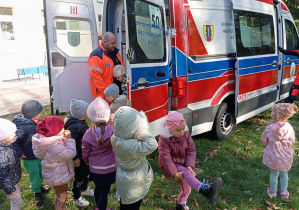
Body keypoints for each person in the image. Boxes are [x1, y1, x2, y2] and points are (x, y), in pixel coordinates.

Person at [157, 111, 223, 209]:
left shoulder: (185, 134)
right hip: (170, 164)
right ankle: (204, 189)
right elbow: (165, 157)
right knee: (187, 173)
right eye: (178, 130)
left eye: (183, 128)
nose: (182, 132)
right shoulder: (164, 139)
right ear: (170, 130)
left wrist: (189, 165)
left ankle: (180, 205)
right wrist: (174, 173)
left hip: (182, 162)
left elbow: (191, 149)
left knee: (187, 188)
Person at [111, 106, 158, 210]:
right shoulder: (133, 146)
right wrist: (142, 133)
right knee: (133, 204)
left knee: (125, 203)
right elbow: (153, 144)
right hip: (135, 182)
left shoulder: (114, 138)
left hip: (123, 177)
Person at [32, 116, 76, 210]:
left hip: (54, 174)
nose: (64, 129)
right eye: (62, 128)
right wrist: (69, 140)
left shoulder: (46, 141)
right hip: (59, 175)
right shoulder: (55, 145)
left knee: (59, 195)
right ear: (55, 131)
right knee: (62, 198)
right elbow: (70, 154)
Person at [12, 100, 50, 206]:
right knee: (34, 176)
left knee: (41, 173)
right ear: (33, 113)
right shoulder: (23, 127)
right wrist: (19, 154)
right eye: (40, 112)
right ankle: (37, 192)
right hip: (29, 157)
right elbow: (14, 141)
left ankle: (39, 186)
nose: (42, 114)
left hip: (38, 154)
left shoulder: (34, 122)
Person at [82, 97, 116, 210]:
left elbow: (85, 149)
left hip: (95, 167)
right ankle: (101, 208)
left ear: (92, 119)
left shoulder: (88, 133)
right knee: (104, 192)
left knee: (98, 188)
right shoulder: (113, 130)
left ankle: (98, 206)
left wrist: (86, 160)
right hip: (110, 168)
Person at [261, 103, 298, 199]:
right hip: (285, 155)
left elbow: (265, 139)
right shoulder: (289, 128)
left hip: (273, 155)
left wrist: (268, 146)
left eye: (273, 112)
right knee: (284, 173)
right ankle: (284, 193)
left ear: (277, 115)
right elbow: (292, 140)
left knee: (274, 173)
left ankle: (273, 193)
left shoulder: (270, 127)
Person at [64, 99, 93, 208]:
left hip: (84, 156)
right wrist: (75, 158)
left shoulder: (80, 123)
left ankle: (84, 189)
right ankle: (76, 197)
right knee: (79, 178)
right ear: (82, 114)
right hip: (78, 158)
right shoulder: (75, 126)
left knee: (85, 173)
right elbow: (70, 143)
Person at [88, 31, 124, 99]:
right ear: (104, 42)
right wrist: (108, 93)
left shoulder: (116, 54)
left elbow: (122, 68)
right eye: (112, 43)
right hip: (105, 97)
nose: (115, 45)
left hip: (117, 95)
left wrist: (122, 77)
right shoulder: (96, 56)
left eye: (115, 43)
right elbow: (97, 79)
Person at [0, 118, 22, 210]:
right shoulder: (2, 154)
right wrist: (10, 189)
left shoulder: (6, 146)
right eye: (11, 133)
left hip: (12, 179)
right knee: (17, 201)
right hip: (9, 184)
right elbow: (2, 174)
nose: (14, 135)